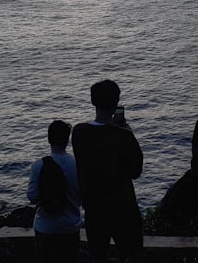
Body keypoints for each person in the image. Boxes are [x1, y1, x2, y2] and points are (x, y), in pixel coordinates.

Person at [71, 79, 144, 262]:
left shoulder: (79, 133)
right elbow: (136, 170)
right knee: (130, 255)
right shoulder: (123, 136)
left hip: (94, 208)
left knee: (97, 255)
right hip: (123, 208)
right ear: (116, 102)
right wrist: (127, 132)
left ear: (93, 101)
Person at [26, 120, 82, 263]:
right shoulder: (78, 164)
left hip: (45, 227)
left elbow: (32, 197)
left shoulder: (38, 166)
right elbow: (84, 196)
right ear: (67, 140)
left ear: (49, 139)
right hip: (70, 227)